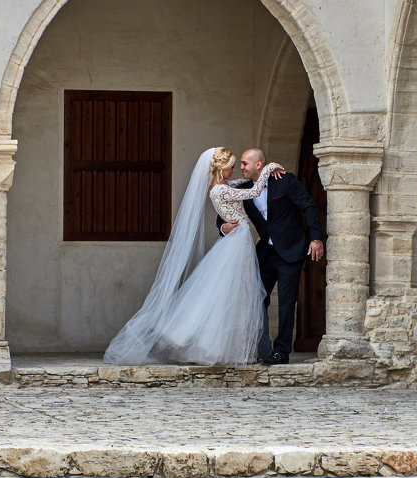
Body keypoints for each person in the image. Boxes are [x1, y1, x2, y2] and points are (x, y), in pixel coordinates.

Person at [104, 147, 281, 366]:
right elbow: (253, 192)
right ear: (220, 169)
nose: (234, 170)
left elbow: (245, 186)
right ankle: (224, 346)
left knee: (240, 293)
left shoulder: (224, 186)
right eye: (231, 167)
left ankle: (243, 349)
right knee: (236, 291)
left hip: (239, 240)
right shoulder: (220, 191)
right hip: (236, 242)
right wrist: (270, 167)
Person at [218, 147, 325, 365]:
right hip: (265, 253)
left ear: (259, 165)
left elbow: (309, 206)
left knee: (286, 303)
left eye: (245, 164)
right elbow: (223, 213)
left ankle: (282, 351)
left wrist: (316, 238)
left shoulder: (285, 181)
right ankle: (260, 348)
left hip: (290, 251)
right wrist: (223, 228)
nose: (241, 167)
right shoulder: (245, 188)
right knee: (257, 300)